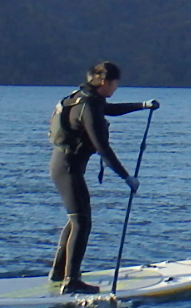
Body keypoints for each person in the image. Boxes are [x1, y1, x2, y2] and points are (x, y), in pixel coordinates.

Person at [47, 61, 158, 294]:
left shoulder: (84, 98)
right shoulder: (88, 106)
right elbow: (103, 149)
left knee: (76, 218)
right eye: (116, 84)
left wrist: (142, 105)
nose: (117, 88)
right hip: (68, 169)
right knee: (82, 222)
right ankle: (71, 281)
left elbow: (109, 109)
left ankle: (59, 272)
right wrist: (127, 177)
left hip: (63, 165)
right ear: (105, 82)